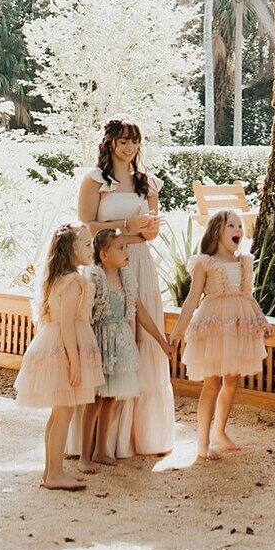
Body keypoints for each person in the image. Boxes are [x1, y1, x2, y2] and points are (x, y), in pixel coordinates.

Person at [76, 116, 176, 457]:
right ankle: (96, 441)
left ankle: (139, 436)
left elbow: (151, 230)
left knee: (140, 339)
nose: (129, 146)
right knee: (110, 339)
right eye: (123, 140)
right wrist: (125, 225)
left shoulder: (147, 182)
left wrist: (146, 230)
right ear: (110, 143)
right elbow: (87, 226)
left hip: (139, 261)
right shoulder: (94, 181)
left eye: (134, 140)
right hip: (106, 262)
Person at [168, 209, 271, 459]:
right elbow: (192, 299)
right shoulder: (205, 263)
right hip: (213, 327)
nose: (237, 230)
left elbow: (248, 296)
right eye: (231, 226)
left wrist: (262, 319)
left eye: (239, 226)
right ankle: (202, 442)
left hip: (237, 326)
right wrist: (177, 332)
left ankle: (220, 431)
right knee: (212, 383)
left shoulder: (244, 262)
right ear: (216, 231)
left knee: (232, 381)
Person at [14, 222, 103, 491]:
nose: (92, 248)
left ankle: (50, 470)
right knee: (63, 413)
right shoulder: (74, 282)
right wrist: (75, 362)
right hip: (65, 350)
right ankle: (55, 473)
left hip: (55, 345)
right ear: (70, 250)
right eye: (87, 244)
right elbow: (67, 324)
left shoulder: (57, 280)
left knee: (58, 414)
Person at [82, 226, 173, 467]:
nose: (126, 251)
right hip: (100, 345)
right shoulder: (95, 278)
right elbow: (84, 313)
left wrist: (162, 341)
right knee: (94, 400)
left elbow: (140, 312)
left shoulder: (126, 277)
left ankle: (102, 450)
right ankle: (84, 455)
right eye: (120, 248)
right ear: (104, 254)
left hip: (120, 346)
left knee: (111, 398)